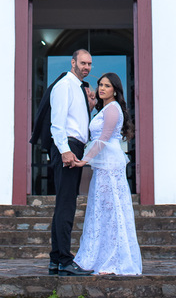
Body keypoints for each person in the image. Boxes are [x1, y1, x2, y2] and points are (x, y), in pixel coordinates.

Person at [72, 72, 142, 275]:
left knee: (112, 212)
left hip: (109, 166)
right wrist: (92, 107)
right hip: (103, 167)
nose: (102, 88)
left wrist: (84, 160)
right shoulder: (105, 109)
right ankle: (100, 255)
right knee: (102, 210)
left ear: (115, 90)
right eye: (100, 85)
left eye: (107, 86)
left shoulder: (113, 109)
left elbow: (102, 139)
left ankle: (114, 260)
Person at [45, 50, 94, 276]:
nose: (87, 67)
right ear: (73, 62)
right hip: (68, 149)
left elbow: (76, 120)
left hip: (75, 146)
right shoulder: (65, 85)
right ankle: (65, 259)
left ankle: (56, 259)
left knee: (64, 204)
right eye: (83, 63)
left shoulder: (78, 88)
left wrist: (90, 108)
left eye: (89, 64)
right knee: (66, 206)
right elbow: (58, 123)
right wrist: (65, 151)